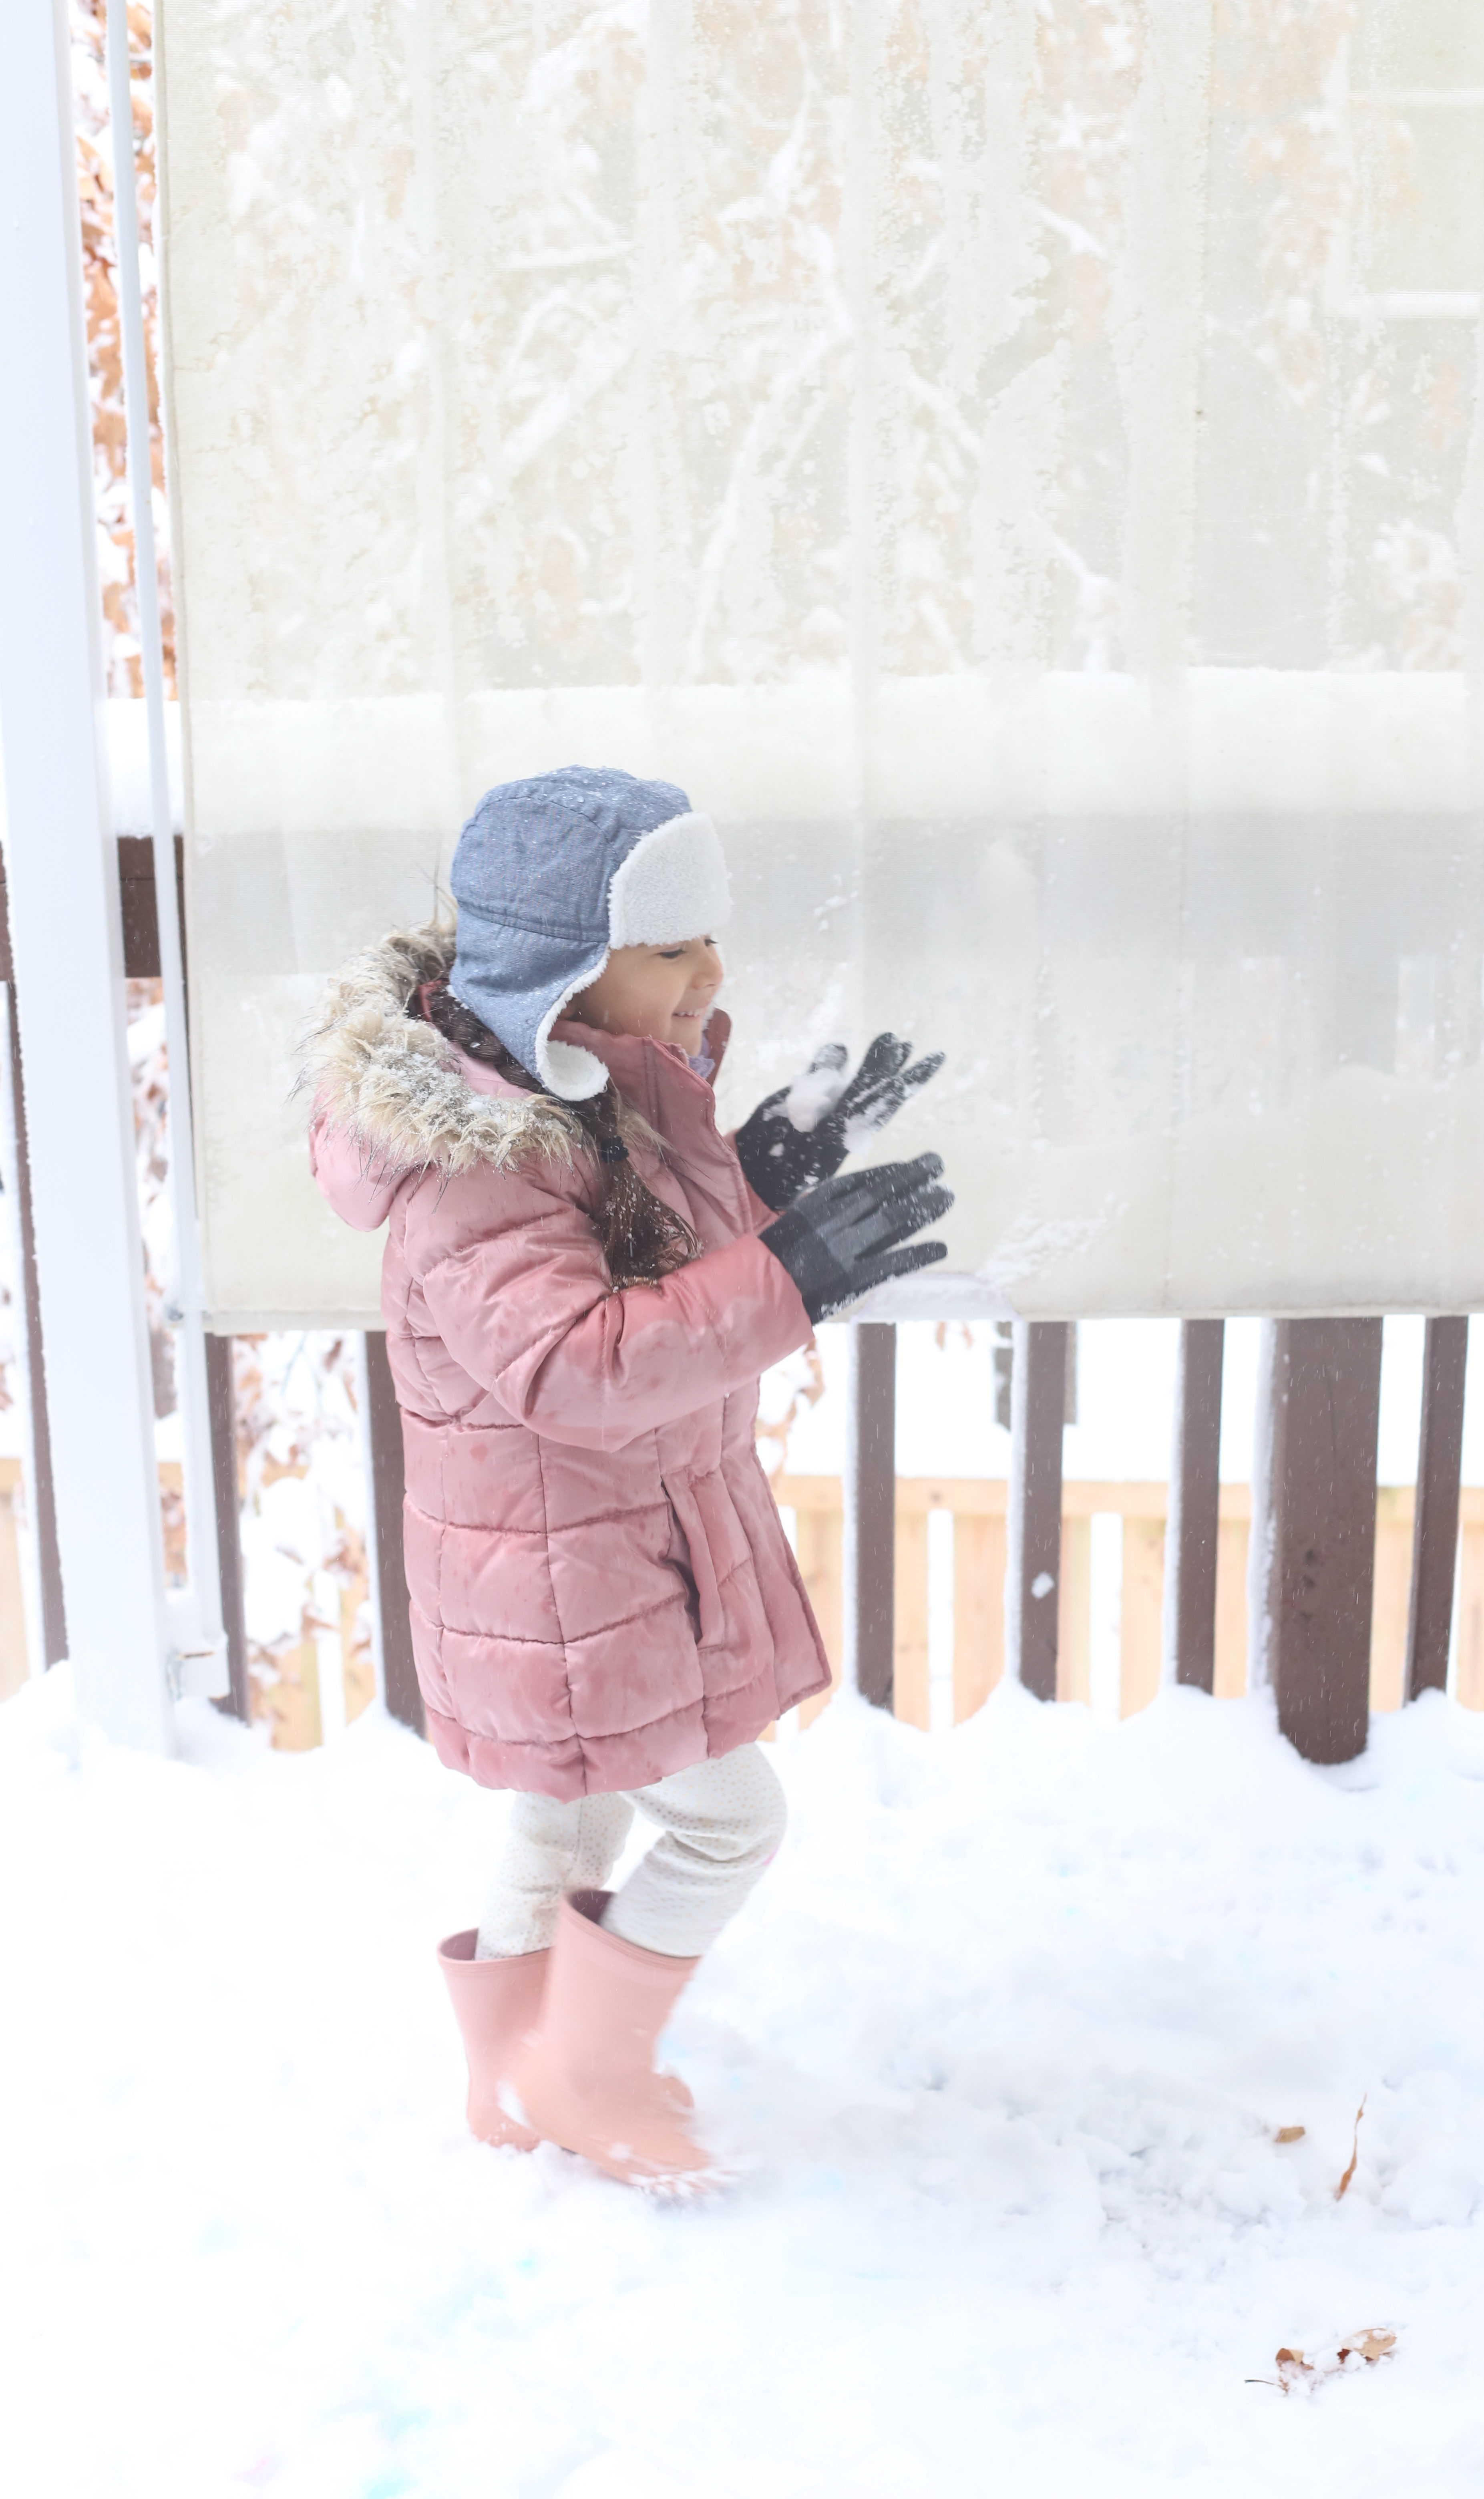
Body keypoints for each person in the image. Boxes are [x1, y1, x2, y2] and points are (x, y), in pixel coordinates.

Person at [302, 767, 951, 2187]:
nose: (712, 973)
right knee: (730, 1825)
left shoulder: (575, 1085)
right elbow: (584, 1364)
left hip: (590, 1559)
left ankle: (512, 2071)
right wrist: (793, 1277)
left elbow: (654, 1253)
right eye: (672, 949)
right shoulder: (474, 1165)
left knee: (575, 1812)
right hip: (571, 1575)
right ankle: (581, 2072)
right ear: (565, 971)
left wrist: (770, 1170)